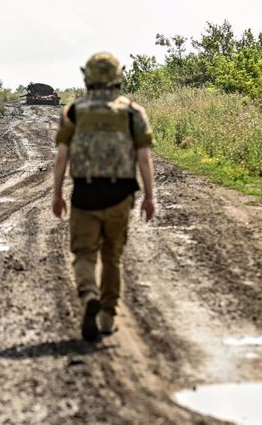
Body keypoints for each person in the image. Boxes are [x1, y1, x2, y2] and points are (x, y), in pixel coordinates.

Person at [52, 52, 157, 342]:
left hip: (85, 193)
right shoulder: (133, 112)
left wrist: (57, 193)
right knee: (112, 257)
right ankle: (108, 316)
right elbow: (144, 157)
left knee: (84, 253)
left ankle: (89, 295)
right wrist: (150, 197)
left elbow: (62, 155)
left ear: (88, 77)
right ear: (117, 77)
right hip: (119, 194)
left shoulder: (73, 111)